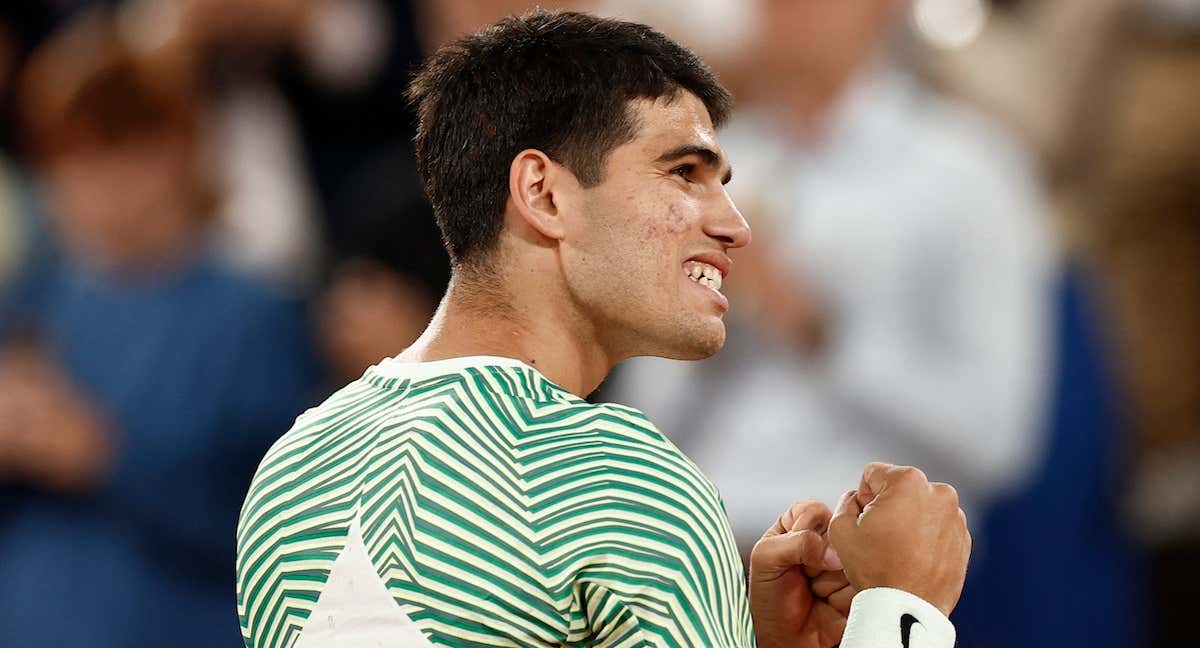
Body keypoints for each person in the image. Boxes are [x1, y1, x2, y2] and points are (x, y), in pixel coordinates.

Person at [235, 10, 970, 648]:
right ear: (544, 194)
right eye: (684, 173)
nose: (735, 226)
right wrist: (902, 608)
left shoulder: (291, 472)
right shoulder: (622, 481)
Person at [0, 12, 324, 646]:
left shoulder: (256, 315)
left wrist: (107, 459)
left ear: (179, 148)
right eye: (67, 158)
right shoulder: (31, 306)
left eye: (116, 152)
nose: (90, 184)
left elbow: (288, 535)